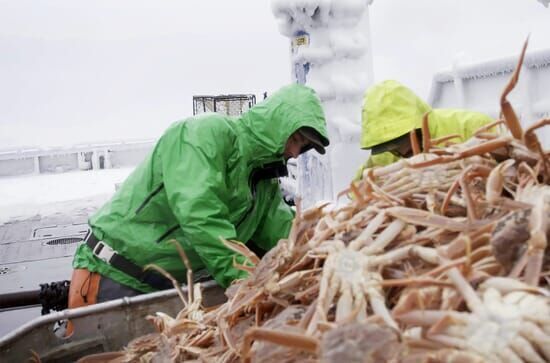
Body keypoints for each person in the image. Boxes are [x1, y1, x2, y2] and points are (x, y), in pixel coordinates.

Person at [68, 84, 329, 310]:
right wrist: (251, 283)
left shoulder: (264, 184)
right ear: (276, 124)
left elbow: (286, 234)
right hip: (113, 277)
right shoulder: (204, 135)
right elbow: (201, 216)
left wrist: (328, 250)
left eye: (303, 147)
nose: (295, 153)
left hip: (169, 290)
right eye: (294, 139)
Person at [357, 80, 496, 174]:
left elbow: (511, 165)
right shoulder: (384, 156)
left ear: (418, 126)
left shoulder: (474, 126)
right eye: (392, 147)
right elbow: (357, 190)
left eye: (402, 140)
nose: (401, 151)